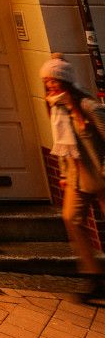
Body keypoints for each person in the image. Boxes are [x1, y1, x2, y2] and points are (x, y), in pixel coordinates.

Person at [41, 53, 105, 302]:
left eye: (54, 81)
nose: (50, 86)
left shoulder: (88, 106)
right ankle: (93, 275)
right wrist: (65, 174)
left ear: (66, 81)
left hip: (99, 174)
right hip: (77, 176)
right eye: (47, 82)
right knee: (71, 219)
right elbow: (62, 145)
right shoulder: (56, 109)